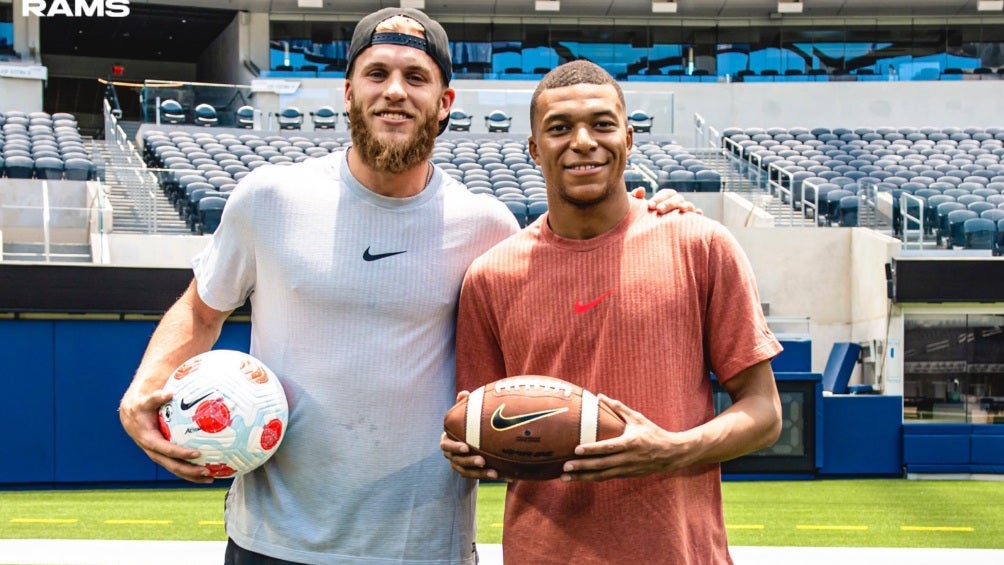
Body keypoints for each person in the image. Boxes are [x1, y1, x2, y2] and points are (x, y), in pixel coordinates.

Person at [118, 9, 694, 565]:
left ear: (444, 104)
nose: (395, 91)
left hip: (424, 547)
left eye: (416, 77)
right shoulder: (268, 198)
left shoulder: (487, 226)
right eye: (377, 73)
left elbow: (571, 264)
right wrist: (143, 388)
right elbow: (201, 310)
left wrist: (645, 217)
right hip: (274, 541)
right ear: (348, 93)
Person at [442, 60, 783, 565]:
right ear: (535, 148)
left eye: (601, 124)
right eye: (559, 128)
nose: (582, 141)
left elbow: (765, 414)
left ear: (628, 137)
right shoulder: (491, 277)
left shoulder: (700, 244)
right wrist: (468, 452)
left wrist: (673, 448)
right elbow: (483, 429)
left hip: (679, 553)